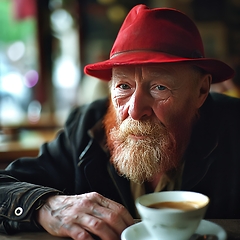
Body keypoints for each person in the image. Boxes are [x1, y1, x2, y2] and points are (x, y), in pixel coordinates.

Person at [0, 4, 240, 240]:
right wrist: (47, 206)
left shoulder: (234, 127)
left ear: (201, 90)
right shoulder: (86, 126)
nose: (135, 111)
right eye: (124, 86)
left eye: (159, 87)